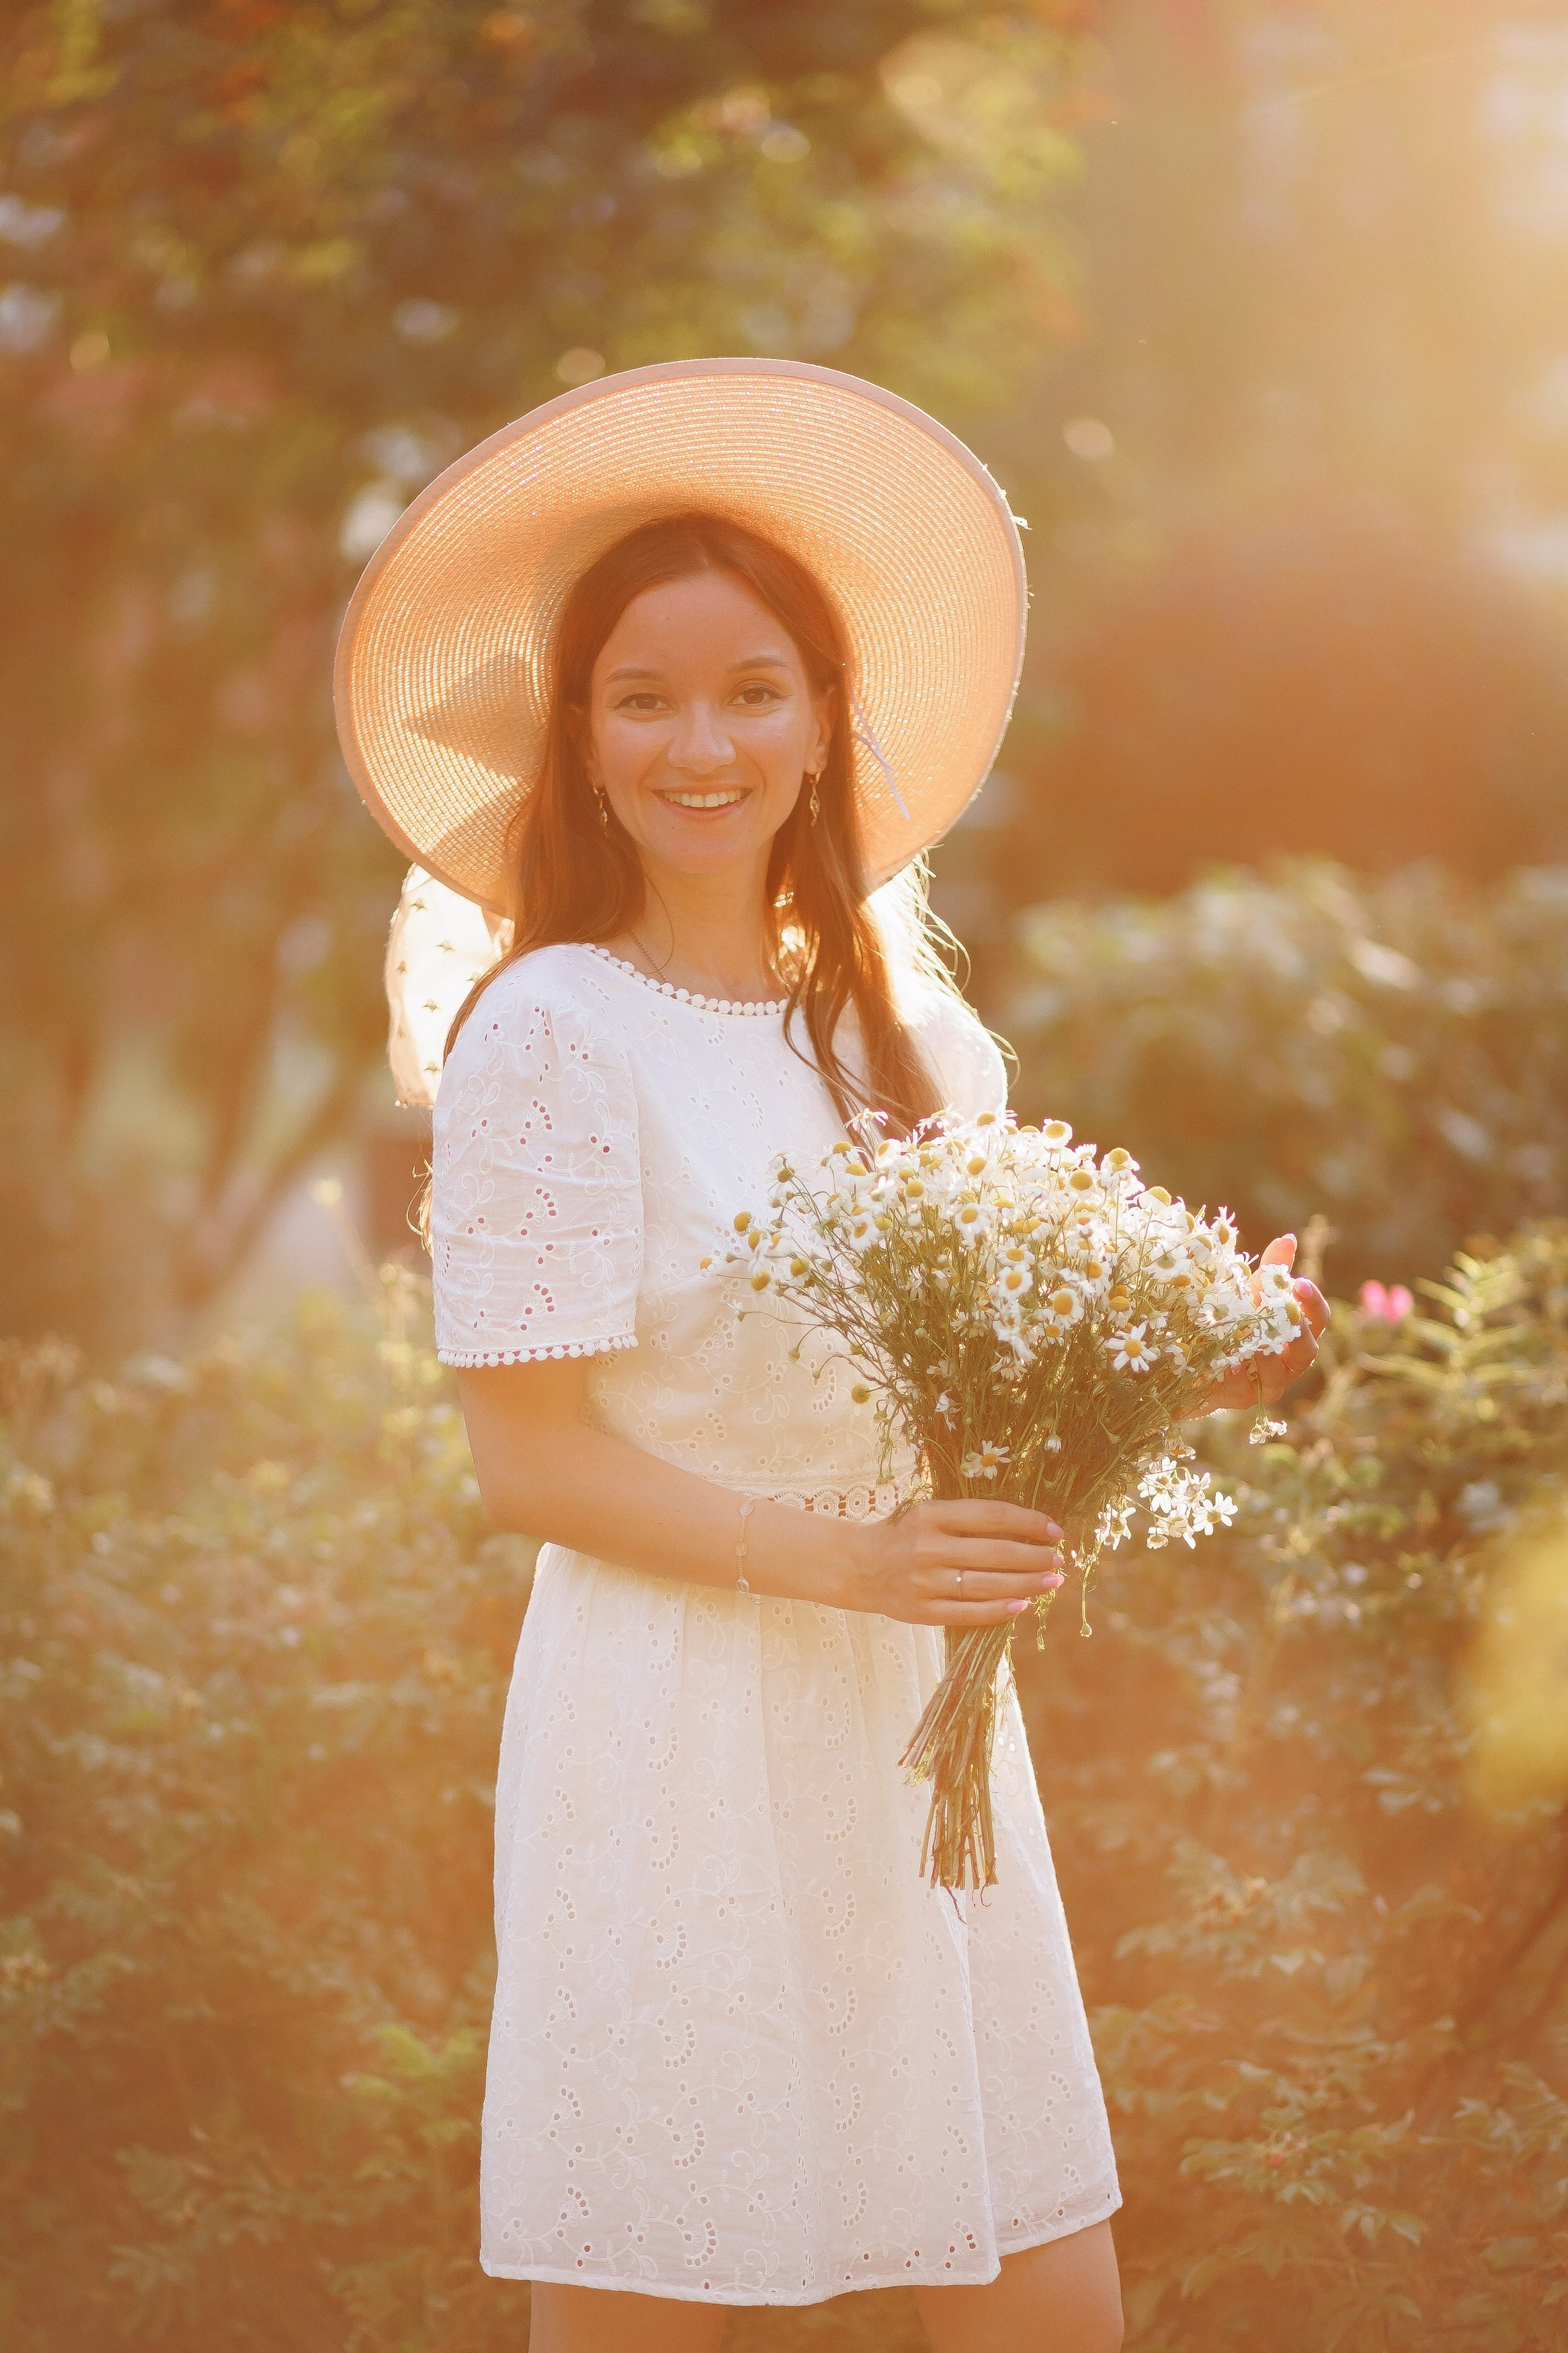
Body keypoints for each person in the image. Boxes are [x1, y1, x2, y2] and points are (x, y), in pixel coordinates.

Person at [336, 361, 1329, 2353]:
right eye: (644, 695)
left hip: (916, 1737)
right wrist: (853, 1560)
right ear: (584, 744)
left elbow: (995, 1401)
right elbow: (528, 1465)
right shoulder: (547, 1034)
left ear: (820, 724)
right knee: (659, 2294)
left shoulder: (913, 1049)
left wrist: (1191, 1366)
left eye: (752, 687)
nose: (702, 739)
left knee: (1046, 2301)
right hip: (671, 1730)